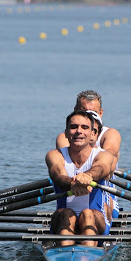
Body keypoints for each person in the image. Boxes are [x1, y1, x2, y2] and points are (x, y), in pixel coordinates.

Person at [46, 110, 115, 247]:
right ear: (66, 133)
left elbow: (101, 168)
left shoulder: (103, 156)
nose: (79, 131)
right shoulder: (54, 155)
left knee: (87, 213)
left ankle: (86, 256)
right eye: (73, 127)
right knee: (67, 213)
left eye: (84, 127)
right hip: (62, 220)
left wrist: (88, 176)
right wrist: (73, 183)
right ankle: (66, 259)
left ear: (92, 134)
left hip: (96, 221)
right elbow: (58, 177)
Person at [56, 90, 121, 222]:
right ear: (75, 111)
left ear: (101, 113)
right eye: (84, 111)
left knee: (103, 205)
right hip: (70, 190)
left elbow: (109, 167)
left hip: (103, 192)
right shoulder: (65, 137)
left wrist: (86, 177)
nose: (88, 116)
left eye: (94, 112)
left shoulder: (110, 135)